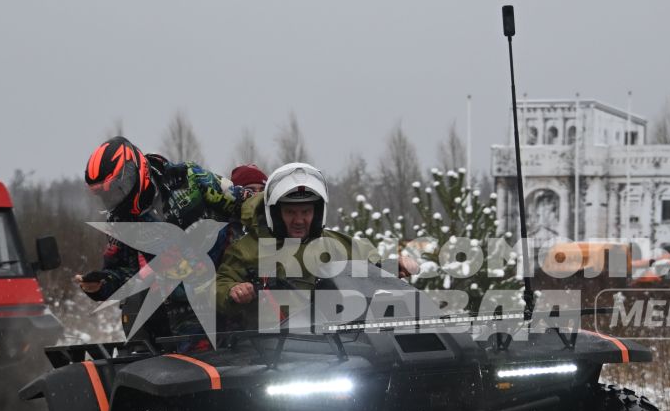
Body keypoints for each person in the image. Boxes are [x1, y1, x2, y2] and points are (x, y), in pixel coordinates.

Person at [214, 162, 416, 329]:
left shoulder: (335, 244)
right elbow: (220, 286)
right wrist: (234, 290)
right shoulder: (247, 249)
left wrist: (394, 266)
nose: (299, 220)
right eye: (290, 212)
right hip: (266, 348)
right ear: (275, 213)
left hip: (332, 346)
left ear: (318, 213)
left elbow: (370, 267)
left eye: (306, 212)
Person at [77, 135, 238, 340]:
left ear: (132, 171)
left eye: (116, 189)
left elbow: (240, 202)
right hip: (186, 308)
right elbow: (126, 272)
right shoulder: (121, 224)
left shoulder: (187, 177)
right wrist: (102, 284)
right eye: (104, 195)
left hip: (234, 283)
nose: (112, 198)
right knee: (197, 358)